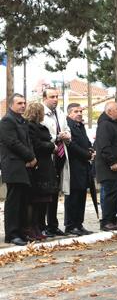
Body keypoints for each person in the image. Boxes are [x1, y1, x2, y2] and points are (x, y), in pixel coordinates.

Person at [0, 94, 36, 246]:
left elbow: (28, 142)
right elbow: (12, 143)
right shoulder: (7, 120)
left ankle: (21, 231)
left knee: (23, 200)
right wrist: (30, 157)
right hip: (13, 165)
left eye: (24, 103)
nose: (23, 105)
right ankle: (12, 234)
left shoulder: (22, 121)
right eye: (19, 103)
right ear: (11, 105)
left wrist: (31, 157)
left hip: (24, 165)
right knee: (13, 201)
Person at [25, 103, 58, 242]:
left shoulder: (40, 126)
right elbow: (37, 145)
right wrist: (51, 146)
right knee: (36, 199)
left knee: (44, 199)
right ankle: (33, 227)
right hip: (39, 167)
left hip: (46, 166)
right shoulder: (30, 127)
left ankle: (39, 226)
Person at [41, 88, 71, 237]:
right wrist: (57, 137)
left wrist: (67, 135)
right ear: (44, 98)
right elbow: (42, 135)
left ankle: (53, 224)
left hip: (61, 154)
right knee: (47, 192)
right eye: (52, 96)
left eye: (57, 96)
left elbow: (67, 129)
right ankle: (44, 225)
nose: (55, 99)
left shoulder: (59, 113)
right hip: (49, 155)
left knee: (56, 192)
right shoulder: (42, 114)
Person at [95, 102, 117, 231]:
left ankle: (112, 220)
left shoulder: (115, 124)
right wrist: (112, 162)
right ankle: (107, 221)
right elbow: (104, 146)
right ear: (109, 111)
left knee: (115, 195)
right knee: (110, 195)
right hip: (109, 169)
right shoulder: (105, 125)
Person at [64, 103, 95, 236]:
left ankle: (79, 223)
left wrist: (91, 149)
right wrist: (86, 154)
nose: (79, 114)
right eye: (76, 111)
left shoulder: (80, 126)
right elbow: (72, 145)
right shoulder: (68, 126)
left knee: (82, 195)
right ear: (70, 114)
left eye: (81, 111)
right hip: (73, 165)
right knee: (73, 196)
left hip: (83, 166)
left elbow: (86, 142)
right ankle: (71, 225)